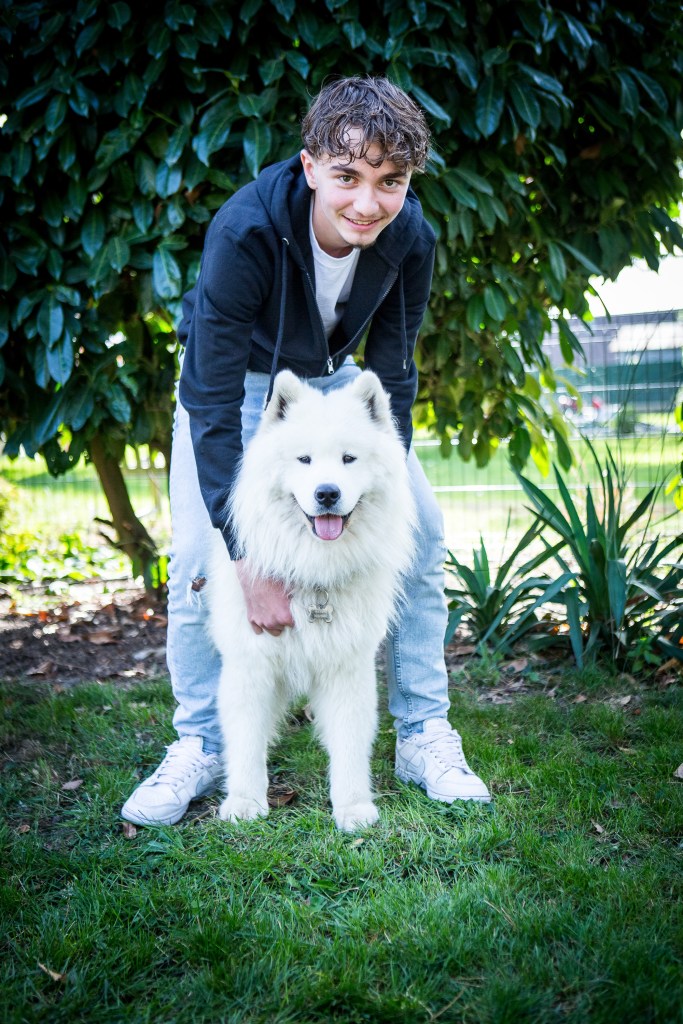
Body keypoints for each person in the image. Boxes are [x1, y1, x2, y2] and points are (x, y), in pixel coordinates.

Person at [121, 76, 491, 827]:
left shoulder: (410, 236)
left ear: (408, 182)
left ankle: (423, 733)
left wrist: (385, 486)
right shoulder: (245, 231)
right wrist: (246, 557)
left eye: (391, 182)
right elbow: (210, 400)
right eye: (348, 176)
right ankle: (201, 744)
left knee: (423, 536)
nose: (368, 203)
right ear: (311, 165)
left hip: (338, 384)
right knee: (198, 556)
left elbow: (392, 373)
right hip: (241, 385)